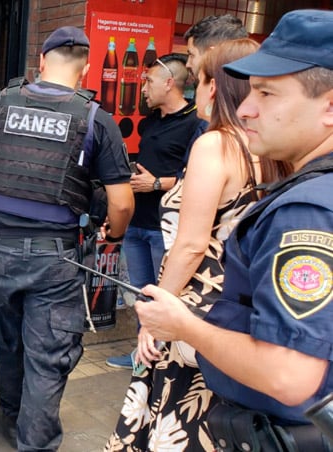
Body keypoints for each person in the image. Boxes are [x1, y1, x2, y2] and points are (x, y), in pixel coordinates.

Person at [135, 9, 333, 451]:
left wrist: (183, 325)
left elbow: (290, 375)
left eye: (267, 93)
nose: (246, 107)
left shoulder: (306, 212)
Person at [0, 26, 134, 451]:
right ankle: (35, 441)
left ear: (41, 63)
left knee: (6, 341)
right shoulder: (95, 119)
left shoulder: (0, 104)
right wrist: (111, 237)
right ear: (84, 71)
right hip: (57, 260)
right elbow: (121, 203)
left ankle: (10, 418)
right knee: (48, 357)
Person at [105, 39, 290, 451]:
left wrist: (156, 313)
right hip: (236, 304)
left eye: (201, 80)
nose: (196, 91)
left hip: (193, 303)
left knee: (173, 416)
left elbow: (190, 245)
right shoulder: (271, 152)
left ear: (217, 86)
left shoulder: (215, 144)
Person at [106, 54, 204, 370]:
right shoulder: (151, 122)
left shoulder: (196, 124)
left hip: (167, 228)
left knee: (166, 297)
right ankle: (141, 356)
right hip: (137, 224)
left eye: (148, 81)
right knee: (142, 298)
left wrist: (157, 183)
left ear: (169, 83)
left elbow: (197, 177)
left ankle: (164, 361)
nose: (143, 88)